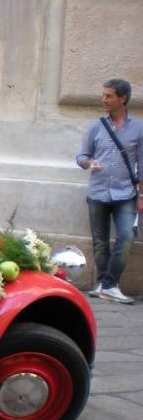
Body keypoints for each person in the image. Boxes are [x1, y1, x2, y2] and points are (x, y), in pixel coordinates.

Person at [77, 78, 143, 304]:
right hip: (98, 192)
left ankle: (109, 285)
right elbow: (82, 156)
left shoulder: (139, 128)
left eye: (109, 96)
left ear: (122, 98)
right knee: (100, 242)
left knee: (125, 237)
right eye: (103, 95)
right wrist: (89, 164)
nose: (104, 100)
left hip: (125, 193)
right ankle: (105, 285)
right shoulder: (96, 126)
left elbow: (142, 165)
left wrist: (141, 196)